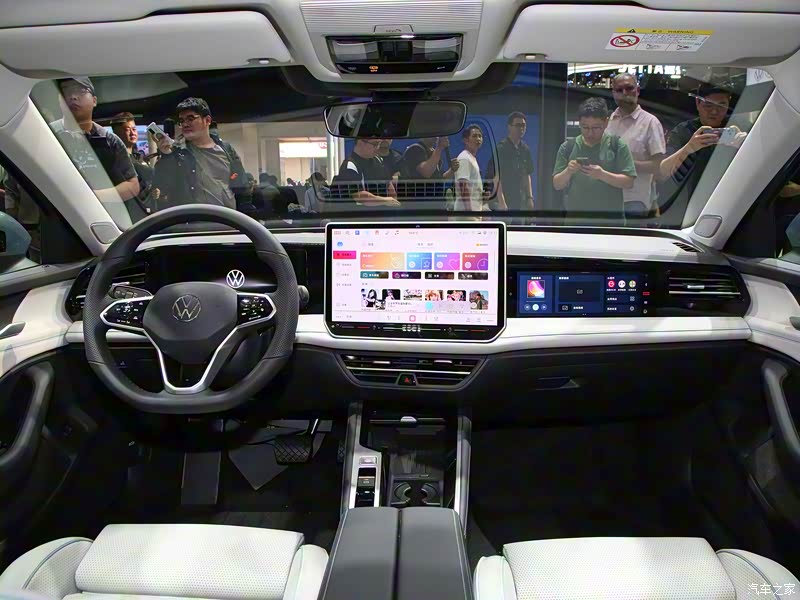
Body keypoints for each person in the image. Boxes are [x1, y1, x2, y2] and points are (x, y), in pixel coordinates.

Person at [51, 77, 139, 204]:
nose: (73, 97)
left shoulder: (110, 140)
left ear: (94, 100)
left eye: (81, 91)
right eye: (66, 91)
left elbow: (133, 185)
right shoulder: (47, 133)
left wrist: (92, 197)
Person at [153, 97, 248, 209]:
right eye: (182, 121)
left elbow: (241, 187)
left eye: (190, 119)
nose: (185, 124)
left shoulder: (226, 149)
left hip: (226, 217)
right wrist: (165, 155)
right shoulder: (175, 152)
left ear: (207, 120)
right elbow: (161, 186)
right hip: (191, 218)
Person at [553, 97, 637, 219]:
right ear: (579, 123)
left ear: (606, 123)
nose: (590, 133)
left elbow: (629, 182)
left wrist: (602, 175)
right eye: (585, 127)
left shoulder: (617, 145)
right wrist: (568, 171)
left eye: (596, 128)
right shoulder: (568, 147)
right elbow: (557, 184)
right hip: (576, 221)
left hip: (610, 221)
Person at [659, 83, 747, 198]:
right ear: (698, 103)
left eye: (721, 105)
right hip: (692, 198)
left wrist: (745, 147)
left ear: (728, 103)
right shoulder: (684, 130)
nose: (714, 111)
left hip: (731, 196)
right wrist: (689, 148)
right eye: (708, 105)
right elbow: (663, 171)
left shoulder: (739, 127)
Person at [605, 74, 666, 215]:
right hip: (606, 196)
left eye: (629, 88)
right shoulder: (607, 121)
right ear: (613, 94)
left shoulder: (650, 122)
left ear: (637, 90)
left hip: (634, 199)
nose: (625, 93)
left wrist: (627, 163)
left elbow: (658, 166)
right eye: (619, 90)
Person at [111, 111, 160, 217]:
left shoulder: (137, 156)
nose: (132, 133)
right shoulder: (117, 159)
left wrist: (152, 192)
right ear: (116, 134)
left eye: (134, 129)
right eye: (127, 129)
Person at [328, 139, 400, 208]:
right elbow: (360, 196)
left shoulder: (378, 160)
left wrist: (394, 203)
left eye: (378, 144)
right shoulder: (350, 165)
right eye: (375, 144)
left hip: (384, 212)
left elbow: (388, 184)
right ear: (360, 143)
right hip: (361, 213)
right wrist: (385, 201)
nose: (377, 147)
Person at [487, 112, 535, 213]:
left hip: (520, 199)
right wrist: (501, 201)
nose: (521, 128)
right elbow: (496, 176)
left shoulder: (525, 149)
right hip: (504, 199)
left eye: (523, 125)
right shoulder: (501, 148)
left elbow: (527, 174)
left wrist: (529, 197)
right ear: (509, 127)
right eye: (518, 125)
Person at [454, 125, 487, 213]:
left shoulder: (472, 158)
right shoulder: (465, 158)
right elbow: (463, 186)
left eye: (480, 136)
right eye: (474, 136)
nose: (478, 139)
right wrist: (469, 211)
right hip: (466, 213)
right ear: (466, 140)